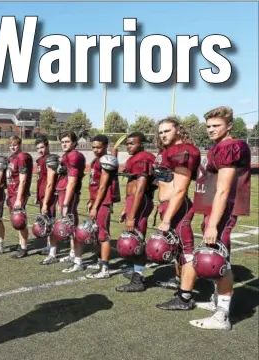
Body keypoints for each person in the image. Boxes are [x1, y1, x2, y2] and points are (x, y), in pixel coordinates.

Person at [189, 106, 251, 329]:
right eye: (208, 126)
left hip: (223, 212)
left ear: (229, 126)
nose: (211, 130)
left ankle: (222, 315)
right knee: (217, 256)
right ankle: (218, 301)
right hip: (215, 209)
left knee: (218, 259)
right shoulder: (220, 146)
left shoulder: (230, 147)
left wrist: (213, 224)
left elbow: (223, 190)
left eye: (216, 126)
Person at [152, 118, 201, 311]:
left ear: (179, 131)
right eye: (161, 131)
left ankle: (185, 298)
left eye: (167, 131)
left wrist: (166, 219)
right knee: (177, 251)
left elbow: (180, 189)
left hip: (178, 209)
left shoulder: (183, 151)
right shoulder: (167, 151)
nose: (163, 134)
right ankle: (181, 285)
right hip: (169, 206)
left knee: (187, 252)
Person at [114, 132, 156, 292]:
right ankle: (137, 272)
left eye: (133, 143)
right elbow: (131, 185)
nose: (129, 146)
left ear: (142, 144)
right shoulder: (135, 158)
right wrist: (127, 207)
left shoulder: (143, 157)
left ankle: (138, 278)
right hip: (134, 201)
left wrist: (132, 216)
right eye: (128, 143)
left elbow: (139, 189)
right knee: (133, 240)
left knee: (137, 240)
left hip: (141, 201)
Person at [41, 130, 86, 267]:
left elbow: (72, 182)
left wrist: (66, 203)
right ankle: (71, 254)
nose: (64, 144)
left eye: (67, 141)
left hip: (68, 195)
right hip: (61, 192)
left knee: (70, 226)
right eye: (62, 142)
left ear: (74, 143)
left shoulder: (74, 156)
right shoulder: (67, 155)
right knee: (65, 226)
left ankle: (77, 260)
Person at [82, 135, 120, 279]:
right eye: (94, 147)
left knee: (103, 235)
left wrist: (95, 206)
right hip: (97, 201)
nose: (96, 150)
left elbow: (103, 186)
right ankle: (100, 261)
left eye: (99, 147)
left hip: (103, 202)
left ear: (105, 146)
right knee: (97, 234)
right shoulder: (95, 161)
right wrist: (91, 201)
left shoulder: (105, 160)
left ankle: (104, 269)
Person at [6, 135, 34, 259]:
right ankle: (21, 244)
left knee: (20, 220)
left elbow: (22, 180)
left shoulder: (22, 157)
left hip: (18, 193)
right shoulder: (11, 157)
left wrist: (19, 198)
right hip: (12, 192)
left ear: (20, 145)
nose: (13, 146)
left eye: (15, 144)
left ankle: (23, 248)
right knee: (15, 221)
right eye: (11, 144)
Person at [34, 136, 54, 255]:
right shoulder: (40, 160)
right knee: (46, 222)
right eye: (38, 148)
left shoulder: (50, 159)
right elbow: (40, 180)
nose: (40, 150)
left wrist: (46, 202)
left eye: (42, 147)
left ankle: (52, 248)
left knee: (50, 221)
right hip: (41, 194)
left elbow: (50, 183)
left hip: (49, 196)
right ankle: (49, 245)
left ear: (47, 146)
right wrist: (37, 195)